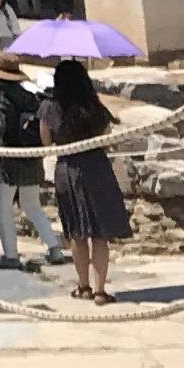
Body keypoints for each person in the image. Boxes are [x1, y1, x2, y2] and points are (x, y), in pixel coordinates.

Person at [43, 59, 133, 303]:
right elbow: (105, 137)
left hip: (67, 169)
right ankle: (100, 290)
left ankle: (83, 286)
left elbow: (45, 141)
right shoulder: (94, 105)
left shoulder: (49, 107)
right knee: (99, 232)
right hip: (96, 168)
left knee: (77, 232)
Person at [0, 71, 65, 266]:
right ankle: (54, 249)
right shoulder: (30, 97)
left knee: (3, 207)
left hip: (7, 161)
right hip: (30, 158)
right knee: (32, 205)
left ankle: (11, 255)